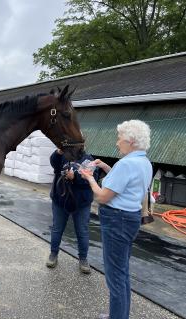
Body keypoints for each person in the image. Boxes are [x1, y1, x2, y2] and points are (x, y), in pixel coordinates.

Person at [79, 120, 152, 319]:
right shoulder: (143, 162)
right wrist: (104, 166)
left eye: (119, 138)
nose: (117, 143)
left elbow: (103, 196)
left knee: (115, 277)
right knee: (123, 272)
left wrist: (90, 178)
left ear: (130, 141)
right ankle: (119, 315)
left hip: (116, 221)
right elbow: (123, 183)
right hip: (131, 219)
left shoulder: (127, 163)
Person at [46, 148, 100, 274]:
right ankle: (53, 254)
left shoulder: (88, 159)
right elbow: (53, 163)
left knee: (82, 231)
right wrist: (59, 151)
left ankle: (83, 259)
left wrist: (74, 176)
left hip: (81, 203)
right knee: (57, 228)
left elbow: (92, 179)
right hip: (60, 200)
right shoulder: (62, 156)